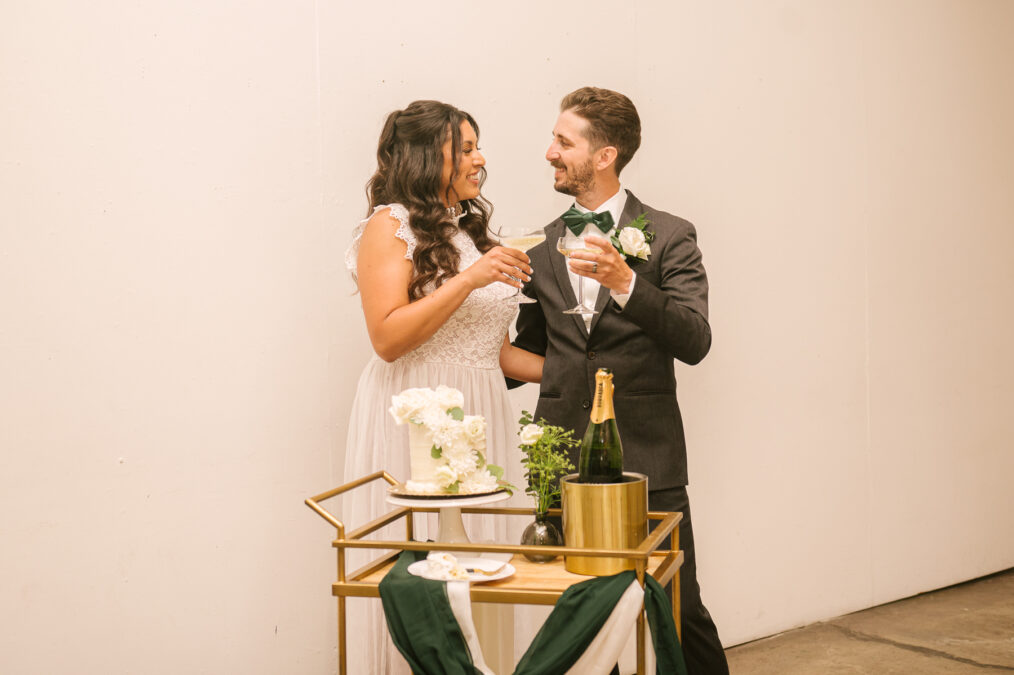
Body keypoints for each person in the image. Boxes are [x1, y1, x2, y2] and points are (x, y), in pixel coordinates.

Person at [512, 86, 729, 674]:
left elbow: (695, 340)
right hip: (561, 460)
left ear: (604, 155)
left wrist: (625, 283)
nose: (549, 152)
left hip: (649, 456)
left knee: (679, 608)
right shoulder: (541, 243)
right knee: (581, 611)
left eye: (564, 141)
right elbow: (530, 353)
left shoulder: (668, 233)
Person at [343, 100, 543, 673]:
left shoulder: (466, 231)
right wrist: (472, 278)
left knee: (484, 570)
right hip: (416, 416)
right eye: (467, 148)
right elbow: (387, 337)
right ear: (428, 157)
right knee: (426, 577)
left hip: (481, 414)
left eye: (479, 146)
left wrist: (578, 371)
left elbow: (490, 348)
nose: (481, 159)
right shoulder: (389, 225)